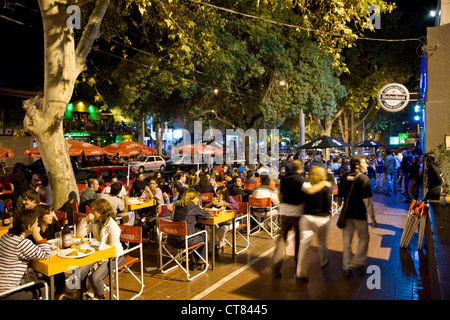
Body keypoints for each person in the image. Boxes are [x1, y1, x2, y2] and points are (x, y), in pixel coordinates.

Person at [272, 160, 331, 278]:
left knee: (282, 240)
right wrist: (324, 183)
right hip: (298, 213)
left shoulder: (284, 178)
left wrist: (283, 205)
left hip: (284, 213)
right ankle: (298, 268)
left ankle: (275, 269)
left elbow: (280, 195)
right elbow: (310, 190)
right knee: (299, 242)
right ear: (302, 168)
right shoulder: (301, 180)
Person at [337, 156, 377, 278]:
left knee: (346, 241)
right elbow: (367, 201)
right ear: (357, 165)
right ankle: (357, 261)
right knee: (364, 238)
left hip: (347, 214)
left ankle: (347, 266)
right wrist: (373, 217)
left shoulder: (344, 177)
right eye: (365, 163)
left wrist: (341, 207)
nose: (367, 165)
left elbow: (339, 199)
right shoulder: (364, 179)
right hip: (360, 215)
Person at [76, 198, 124, 300]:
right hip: (98, 254)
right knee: (79, 271)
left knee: (95, 277)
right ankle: (83, 293)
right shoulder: (95, 222)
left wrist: (99, 262)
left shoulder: (112, 225)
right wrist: (85, 220)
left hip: (115, 256)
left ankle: (100, 296)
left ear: (102, 212)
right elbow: (80, 234)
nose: (92, 213)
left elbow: (113, 248)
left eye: (94, 211)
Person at [0, 208, 53, 300]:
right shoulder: (21, 243)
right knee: (45, 287)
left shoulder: (5, 236)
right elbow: (47, 254)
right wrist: (36, 234)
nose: (38, 225)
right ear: (29, 227)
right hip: (7, 293)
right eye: (36, 223)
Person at [296, 166, 332, 280]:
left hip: (306, 217)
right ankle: (323, 260)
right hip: (321, 217)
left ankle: (301, 272)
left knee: (304, 244)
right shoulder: (325, 187)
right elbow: (327, 203)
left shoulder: (306, 185)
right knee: (321, 241)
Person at [168, 189, 211, 270]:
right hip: (184, 241)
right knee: (203, 236)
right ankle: (201, 261)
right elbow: (207, 215)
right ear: (191, 198)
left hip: (171, 239)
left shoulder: (177, 205)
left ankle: (193, 260)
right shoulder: (193, 207)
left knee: (191, 234)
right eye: (196, 197)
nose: (197, 199)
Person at [29, 204, 65, 299]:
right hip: (38, 260)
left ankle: (59, 295)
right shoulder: (34, 230)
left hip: (54, 256)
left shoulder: (54, 223)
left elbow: (62, 239)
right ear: (40, 217)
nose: (52, 215)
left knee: (59, 270)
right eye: (49, 214)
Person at [204, 185, 239, 253]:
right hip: (219, 220)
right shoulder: (217, 200)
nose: (218, 195)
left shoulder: (229, 198)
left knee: (222, 229)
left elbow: (236, 207)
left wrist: (225, 204)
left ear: (224, 193)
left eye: (220, 194)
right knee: (211, 228)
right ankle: (213, 246)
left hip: (230, 221)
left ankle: (220, 246)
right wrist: (212, 202)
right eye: (217, 193)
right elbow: (205, 206)